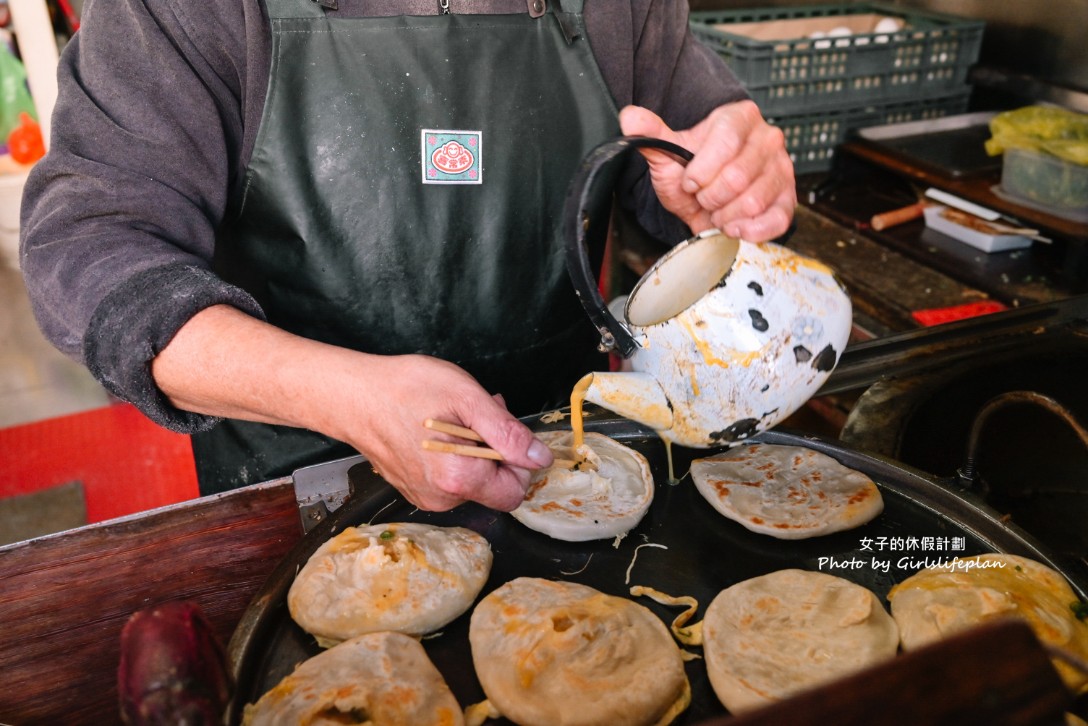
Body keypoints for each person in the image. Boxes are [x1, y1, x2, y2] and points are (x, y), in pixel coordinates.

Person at [20, 0, 795, 512]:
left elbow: (685, 169)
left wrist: (728, 187)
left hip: (562, 467)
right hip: (294, 491)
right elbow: (92, 248)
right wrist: (345, 395)